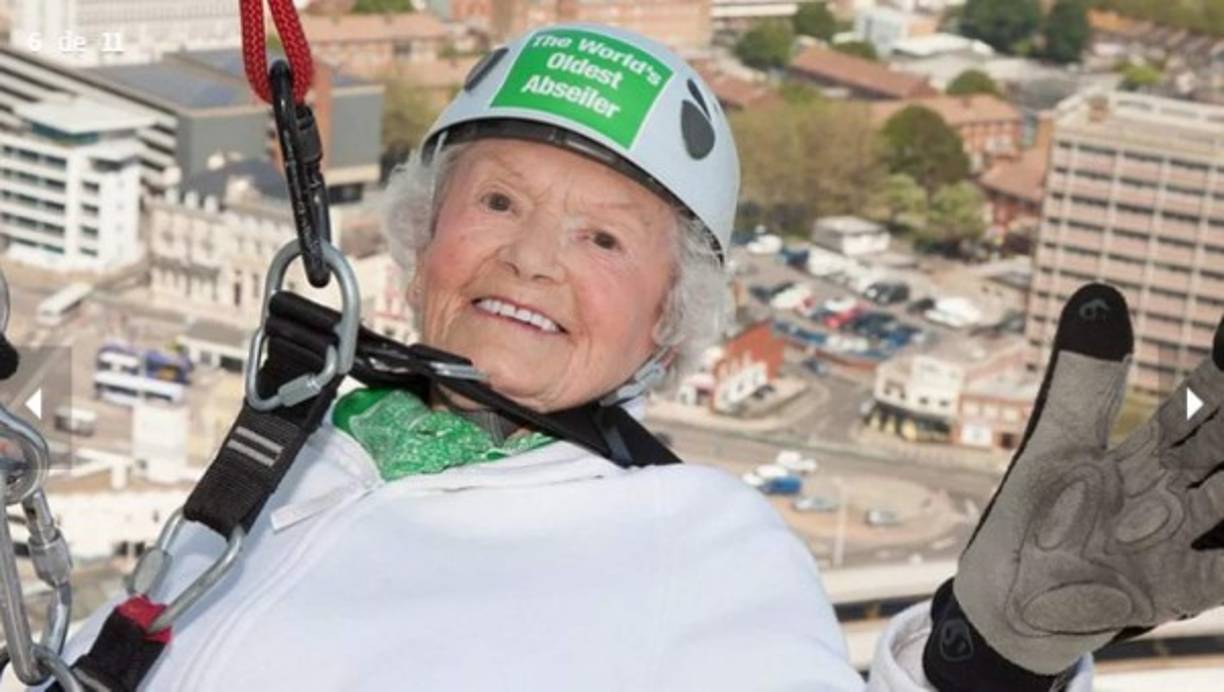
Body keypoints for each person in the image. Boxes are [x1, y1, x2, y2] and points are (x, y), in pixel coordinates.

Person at [48, 23, 1224, 691]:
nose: (533, 259)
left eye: (604, 235)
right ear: (419, 244)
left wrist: (990, 661)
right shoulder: (291, 448)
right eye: (497, 199)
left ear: (668, 322)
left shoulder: (699, 544)